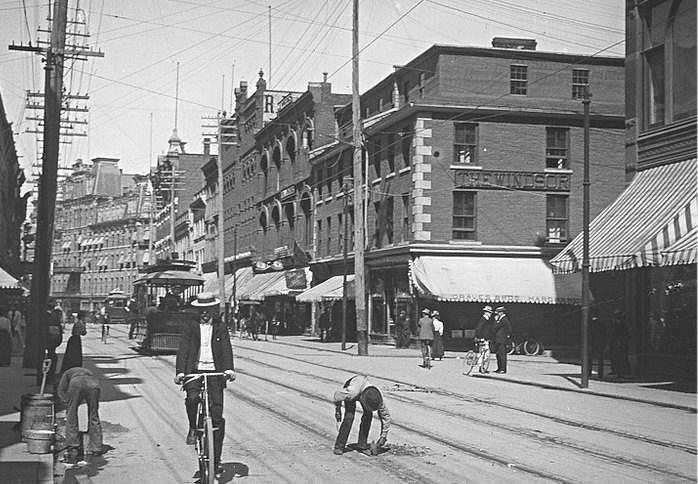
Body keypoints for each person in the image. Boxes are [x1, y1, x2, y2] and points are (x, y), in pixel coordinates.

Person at [174, 292, 235, 475]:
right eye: (201, 310)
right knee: (192, 398)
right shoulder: (190, 327)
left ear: (213, 310)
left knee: (217, 417)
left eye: (207, 310)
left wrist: (229, 369)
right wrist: (180, 372)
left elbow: (226, 348)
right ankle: (193, 427)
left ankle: (215, 460)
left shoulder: (220, 327)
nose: (204, 314)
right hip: (195, 371)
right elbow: (183, 349)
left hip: (215, 373)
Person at [333, 375, 391, 456]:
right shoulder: (352, 392)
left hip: (364, 390)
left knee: (368, 415)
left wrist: (383, 436)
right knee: (349, 416)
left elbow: (386, 416)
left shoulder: (376, 398)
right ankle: (339, 446)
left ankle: (362, 445)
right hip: (353, 386)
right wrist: (338, 411)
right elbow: (337, 396)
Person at [57, 367, 103, 464]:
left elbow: (61, 391)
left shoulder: (66, 373)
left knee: (71, 415)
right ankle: (96, 448)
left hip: (76, 384)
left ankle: (73, 447)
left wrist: (69, 402)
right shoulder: (88, 371)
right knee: (93, 414)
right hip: (94, 383)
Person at [610, 309, 631, 378]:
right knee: (617, 358)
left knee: (621, 358)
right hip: (616, 344)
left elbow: (625, 335)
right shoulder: (616, 325)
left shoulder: (622, 326)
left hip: (621, 344)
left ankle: (622, 372)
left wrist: (620, 341)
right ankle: (618, 371)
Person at [47, 304, 65, 382]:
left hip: (52, 342)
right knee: (52, 356)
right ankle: (50, 374)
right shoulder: (53, 322)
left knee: (52, 356)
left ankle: (50, 374)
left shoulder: (52, 321)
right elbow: (56, 333)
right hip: (52, 342)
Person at [474, 305, 494, 374]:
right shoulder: (483, 319)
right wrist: (479, 337)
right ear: (486, 313)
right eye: (490, 313)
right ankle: (480, 366)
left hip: (486, 339)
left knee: (486, 354)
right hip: (483, 339)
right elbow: (479, 329)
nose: (490, 314)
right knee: (483, 353)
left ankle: (482, 366)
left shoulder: (486, 320)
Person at [492, 306, 512, 374]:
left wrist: (495, 321)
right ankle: (499, 368)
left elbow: (496, 327)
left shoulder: (504, 320)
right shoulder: (501, 319)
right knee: (498, 355)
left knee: (502, 355)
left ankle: (503, 369)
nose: (497, 314)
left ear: (501, 312)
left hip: (501, 340)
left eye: (498, 312)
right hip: (498, 339)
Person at [588, 310, 607, 379]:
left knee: (589, 359)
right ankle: (600, 374)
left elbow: (589, 334)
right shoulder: (602, 324)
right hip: (600, 343)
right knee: (600, 359)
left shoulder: (590, 324)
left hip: (592, 343)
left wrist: (589, 344)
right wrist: (604, 343)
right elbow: (605, 334)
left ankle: (589, 373)